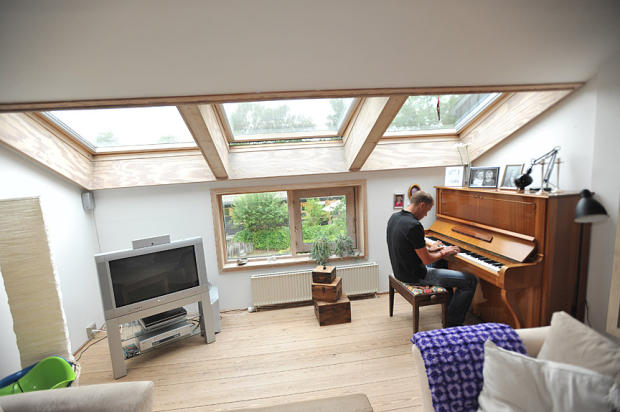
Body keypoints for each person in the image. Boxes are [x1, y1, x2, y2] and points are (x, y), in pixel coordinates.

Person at [386, 190, 477, 327]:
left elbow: (407, 248)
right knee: (470, 280)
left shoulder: (395, 217)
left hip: (401, 271)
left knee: (440, 262)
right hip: (415, 276)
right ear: (421, 205)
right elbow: (427, 261)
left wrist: (430, 249)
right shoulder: (414, 225)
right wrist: (444, 252)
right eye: (427, 210)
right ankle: (452, 323)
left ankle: (448, 308)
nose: (426, 215)